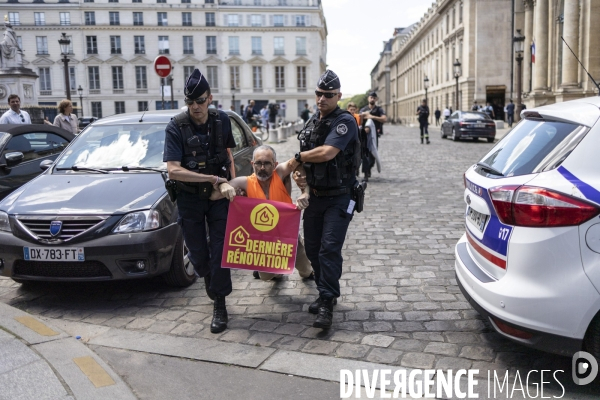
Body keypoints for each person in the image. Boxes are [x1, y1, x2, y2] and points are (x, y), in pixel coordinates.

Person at [163, 68, 237, 334]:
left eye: (200, 101)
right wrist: (209, 180)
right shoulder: (176, 126)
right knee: (197, 254)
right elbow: (173, 169)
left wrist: (232, 184)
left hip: (219, 198)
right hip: (190, 198)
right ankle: (208, 277)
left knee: (220, 251)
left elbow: (227, 155)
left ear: (210, 98)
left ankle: (220, 303)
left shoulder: (222, 120)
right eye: (190, 102)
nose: (195, 106)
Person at [294, 69, 360, 330]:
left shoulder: (344, 121)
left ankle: (326, 300)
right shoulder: (312, 122)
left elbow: (327, 153)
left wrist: (298, 158)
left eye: (328, 95)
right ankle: (325, 290)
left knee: (329, 248)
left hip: (340, 197)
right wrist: (301, 180)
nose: (322, 99)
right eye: (319, 94)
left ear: (338, 96)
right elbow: (307, 161)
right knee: (312, 249)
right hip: (315, 197)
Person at [211, 145, 314, 281]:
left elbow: (296, 162)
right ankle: (276, 271)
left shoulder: (280, 172)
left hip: (287, 237)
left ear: (275, 164)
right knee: (266, 277)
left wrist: (304, 190)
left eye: (267, 163)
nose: (262, 168)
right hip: (263, 243)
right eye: (258, 163)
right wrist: (223, 185)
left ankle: (301, 250)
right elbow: (213, 196)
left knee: (306, 272)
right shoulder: (245, 182)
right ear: (252, 164)